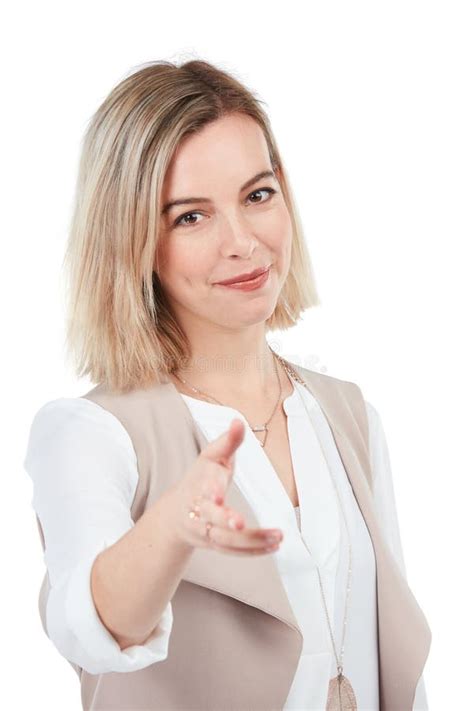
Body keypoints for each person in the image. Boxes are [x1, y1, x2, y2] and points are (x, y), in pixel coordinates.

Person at [23, 59, 431, 710]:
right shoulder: (91, 431)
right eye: (191, 216)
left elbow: (387, 645)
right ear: (132, 240)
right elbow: (86, 626)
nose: (243, 241)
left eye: (258, 195)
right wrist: (173, 526)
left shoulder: (348, 413)